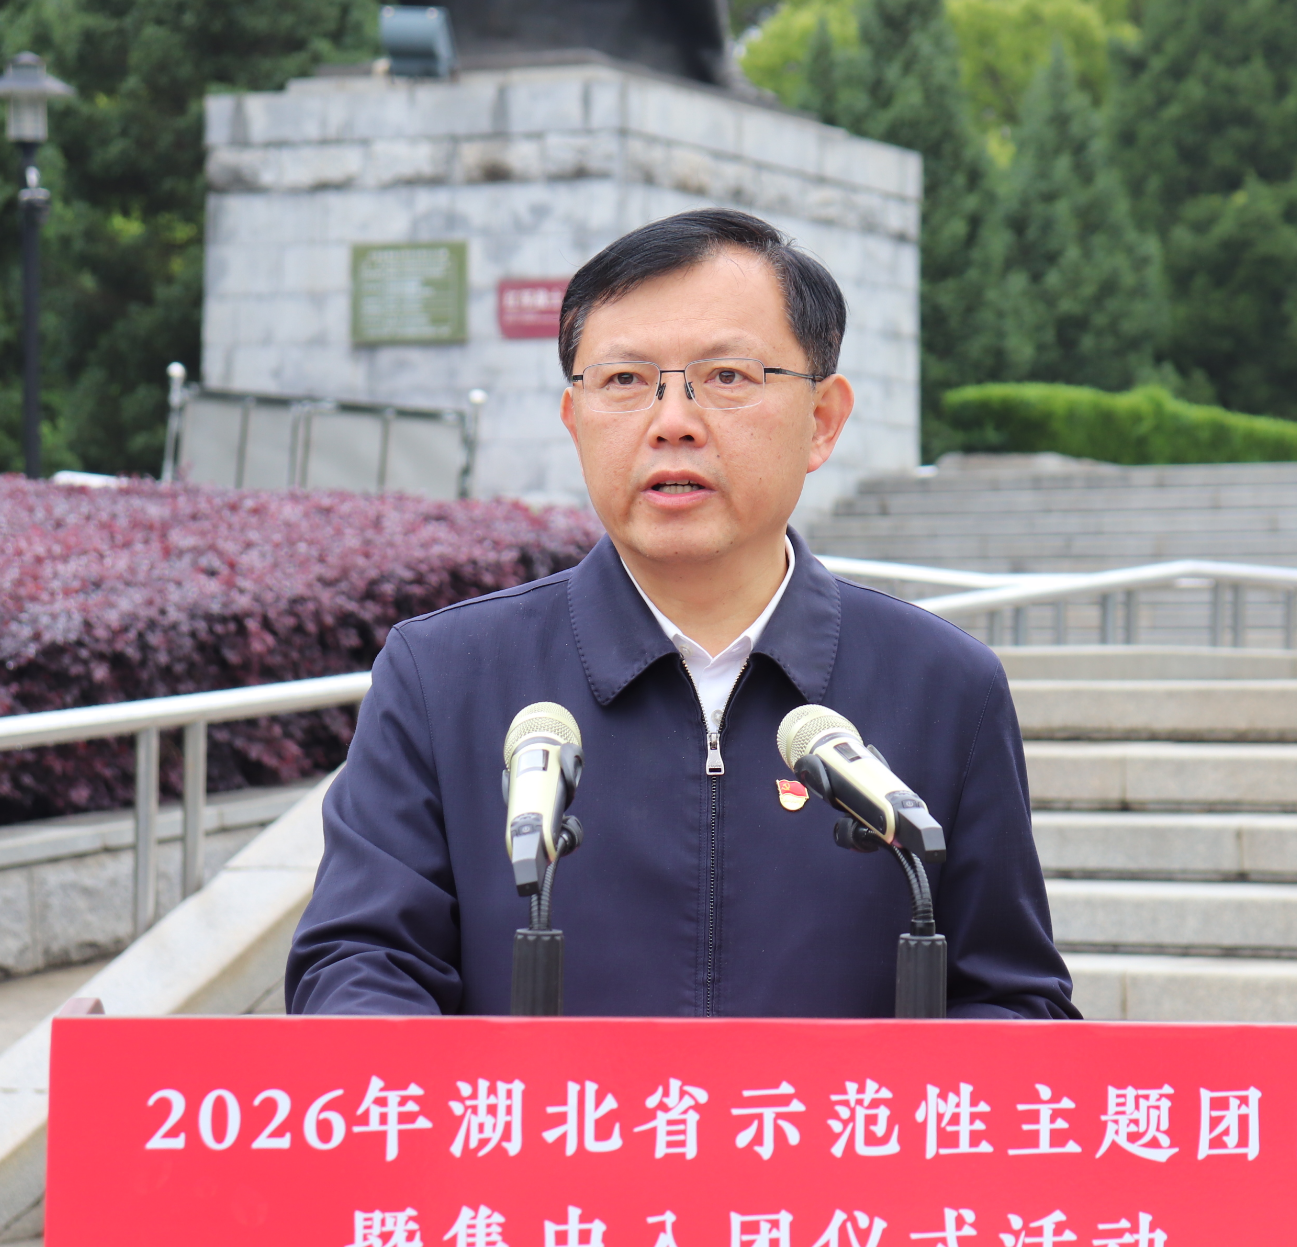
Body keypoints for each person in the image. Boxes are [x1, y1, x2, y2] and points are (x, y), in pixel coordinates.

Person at [287, 208, 1076, 1019]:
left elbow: (1012, 999)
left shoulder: (945, 687)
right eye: (624, 381)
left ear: (822, 421)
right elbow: (358, 965)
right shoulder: (443, 677)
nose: (672, 423)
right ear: (575, 422)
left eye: (727, 377)